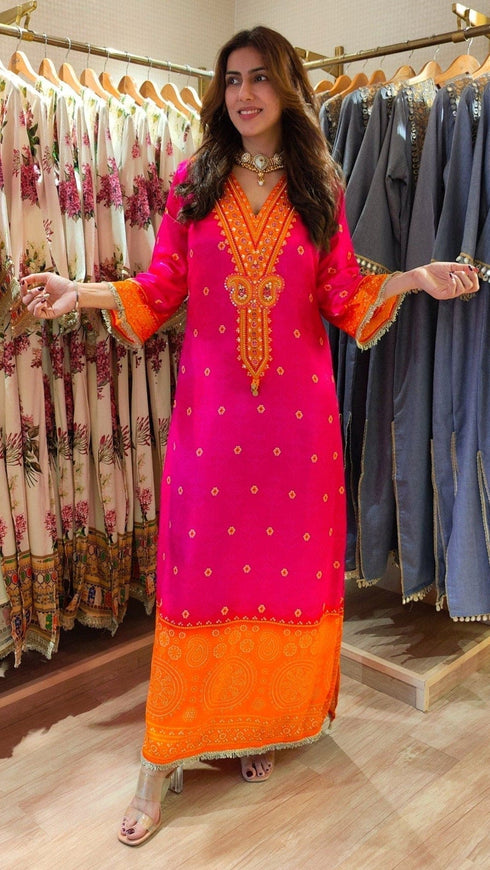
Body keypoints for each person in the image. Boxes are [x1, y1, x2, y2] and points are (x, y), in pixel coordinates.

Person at [20, 26, 479, 848]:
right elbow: (161, 288)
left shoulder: (320, 190)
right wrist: (77, 290)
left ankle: (251, 728)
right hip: (212, 426)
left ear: (289, 88)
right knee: (200, 582)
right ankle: (159, 765)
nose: (244, 93)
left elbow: (343, 296)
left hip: (297, 433)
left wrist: (413, 277)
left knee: (278, 579)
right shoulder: (194, 184)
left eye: (261, 77)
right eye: (232, 79)